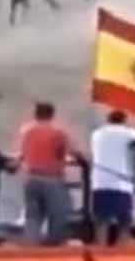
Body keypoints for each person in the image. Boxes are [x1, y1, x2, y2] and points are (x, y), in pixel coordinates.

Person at [16, 102, 85, 246]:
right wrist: (84, 160)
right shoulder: (58, 132)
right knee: (59, 214)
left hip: (30, 178)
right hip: (51, 179)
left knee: (33, 216)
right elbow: (73, 152)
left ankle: (31, 247)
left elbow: (21, 154)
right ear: (52, 114)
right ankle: (52, 246)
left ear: (36, 114)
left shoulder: (26, 131)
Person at [90, 111, 135, 246]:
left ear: (108, 119)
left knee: (102, 221)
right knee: (125, 221)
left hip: (99, 182)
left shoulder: (97, 134)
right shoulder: (130, 134)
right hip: (122, 183)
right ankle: (121, 251)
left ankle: (100, 251)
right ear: (125, 120)